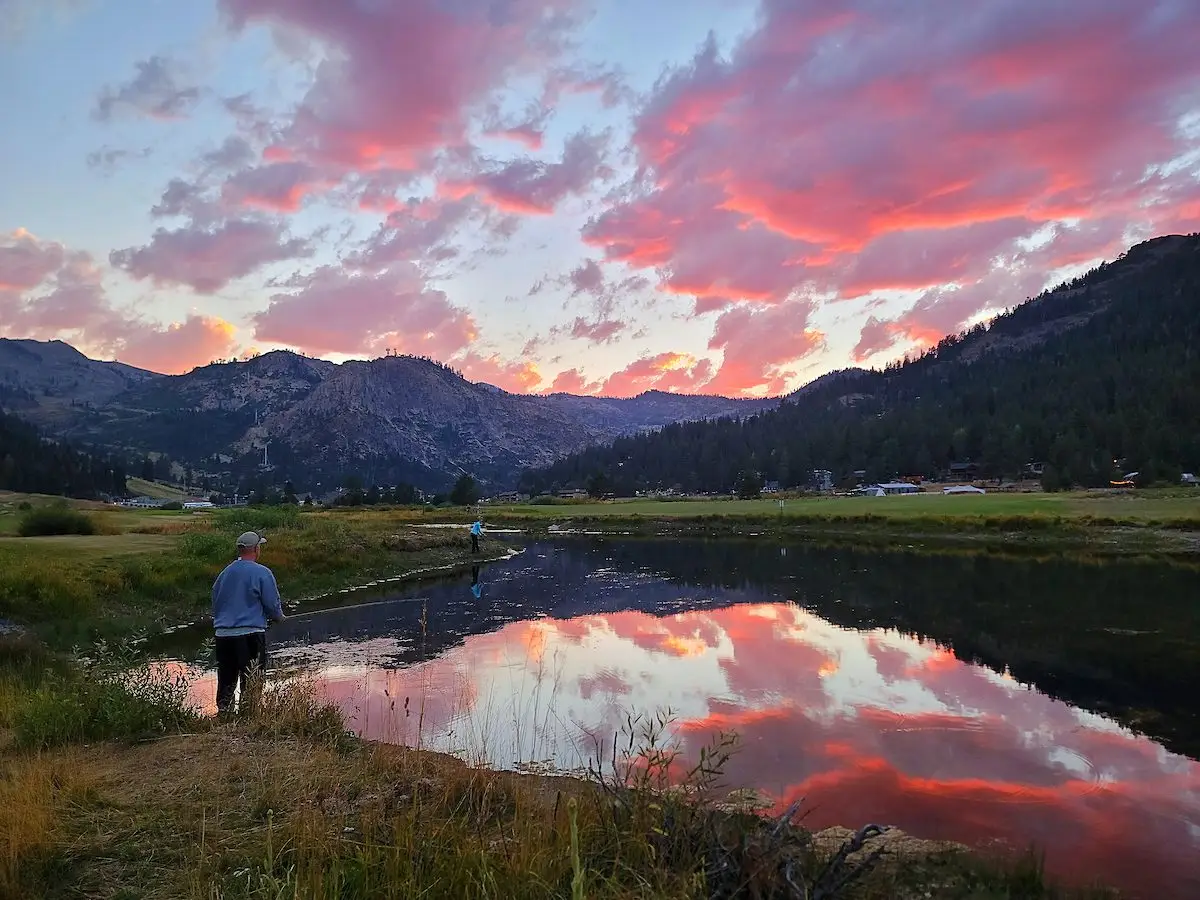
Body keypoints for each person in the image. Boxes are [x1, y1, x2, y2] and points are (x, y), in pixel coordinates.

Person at [211, 531, 286, 715]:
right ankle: (249, 717)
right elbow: (272, 603)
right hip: (250, 636)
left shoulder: (224, 573)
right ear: (256, 549)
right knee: (252, 679)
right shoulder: (262, 572)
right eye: (260, 546)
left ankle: (224, 716)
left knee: (227, 679)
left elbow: (216, 599)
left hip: (223, 636)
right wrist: (279, 617)